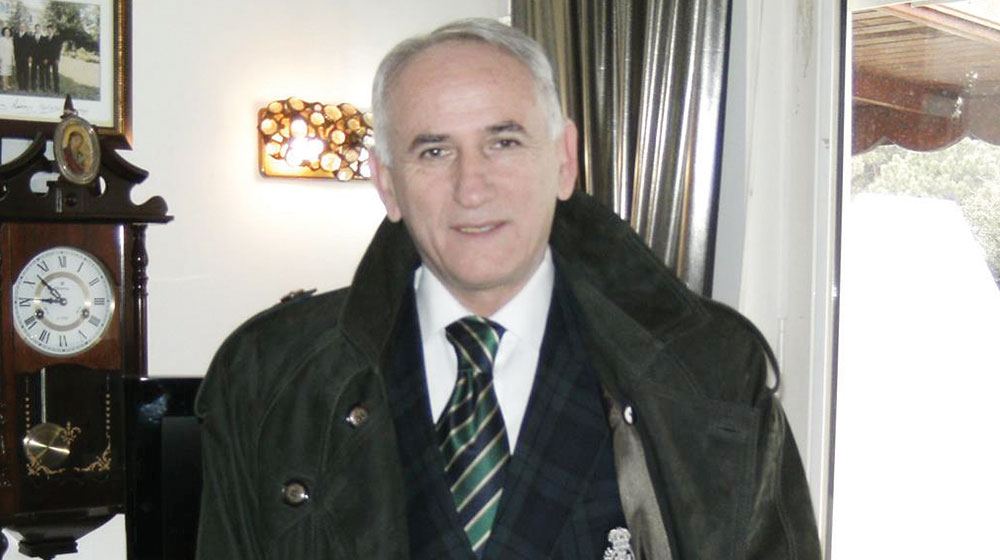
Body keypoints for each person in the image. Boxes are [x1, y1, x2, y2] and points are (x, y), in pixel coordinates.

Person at [196, 18, 821, 560]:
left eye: (503, 141)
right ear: (387, 184)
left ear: (564, 160)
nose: (472, 187)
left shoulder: (712, 372)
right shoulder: (270, 380)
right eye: (434, 151)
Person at [12, 23, 29, 91]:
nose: (22, 28)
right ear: (19, 27)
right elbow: (14, 47)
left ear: (25, 28)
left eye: (23, 27)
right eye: (21, 26)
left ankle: (25, 86)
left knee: (25, 72)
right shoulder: (16, 36)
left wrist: (29, 56)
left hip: (25, 57)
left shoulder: (28, 36)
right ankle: (20, 86)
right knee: (19, 72)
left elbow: (30, 48)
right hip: (18, 57)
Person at [0, 27, 14, 91]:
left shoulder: (10, 40)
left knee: (8, 73)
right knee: (4, 73)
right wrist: (1, 58)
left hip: (9, 58)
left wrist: (13, 59)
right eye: (6, 32)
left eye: (8, 32)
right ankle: (4, 86)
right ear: (3, 32)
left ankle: (7, 85)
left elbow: (12, 51)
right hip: (3, 59)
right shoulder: (2, 40)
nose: (7, 33)